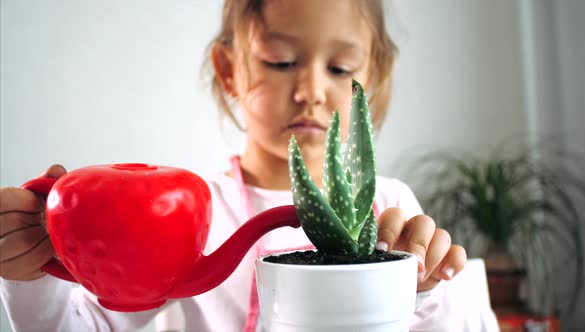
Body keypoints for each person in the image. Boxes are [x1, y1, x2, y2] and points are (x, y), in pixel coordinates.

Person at [0, 0, 499, 331]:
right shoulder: (193, 214)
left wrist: (424, 287)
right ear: (228, 71)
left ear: (375, 76)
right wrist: (33, 275)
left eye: (340, 69)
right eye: (280, 61)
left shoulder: (391, 208)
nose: (310, 91)